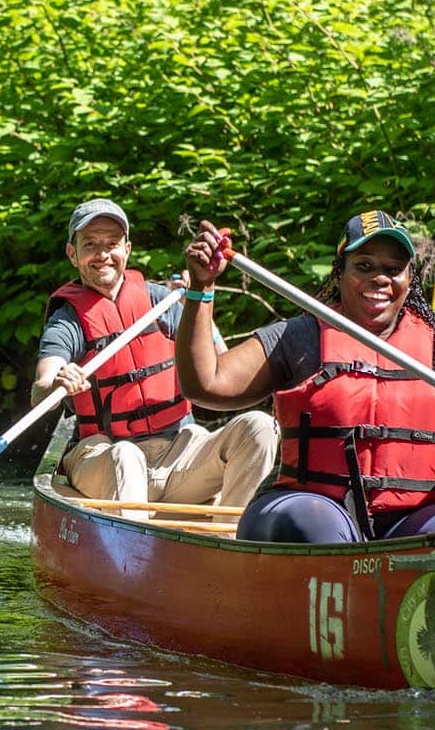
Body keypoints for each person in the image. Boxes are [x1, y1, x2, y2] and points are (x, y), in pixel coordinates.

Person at [175, 210, 435, 544]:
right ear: (340, 272)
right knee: (315, 525)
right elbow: (206, 385)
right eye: (364, 265)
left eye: (393, 269)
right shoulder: (300, 337)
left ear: (409, 280)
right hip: (305, 507)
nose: (380, 278)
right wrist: (201, 290)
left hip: (412, 519)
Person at [32, 199, 278, 513]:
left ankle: (229, 542)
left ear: (127, 249)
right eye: (90, 244)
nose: (103, 254)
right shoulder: (68, 320)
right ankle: (135, 553)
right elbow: (41, 386)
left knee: (259, 427)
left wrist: (197, 301)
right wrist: (57, 382)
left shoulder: (162, 301)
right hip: (102, 456)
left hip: (178, 451)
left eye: (112, 244)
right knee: (126, 456)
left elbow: (220, 365)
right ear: (73, 253)